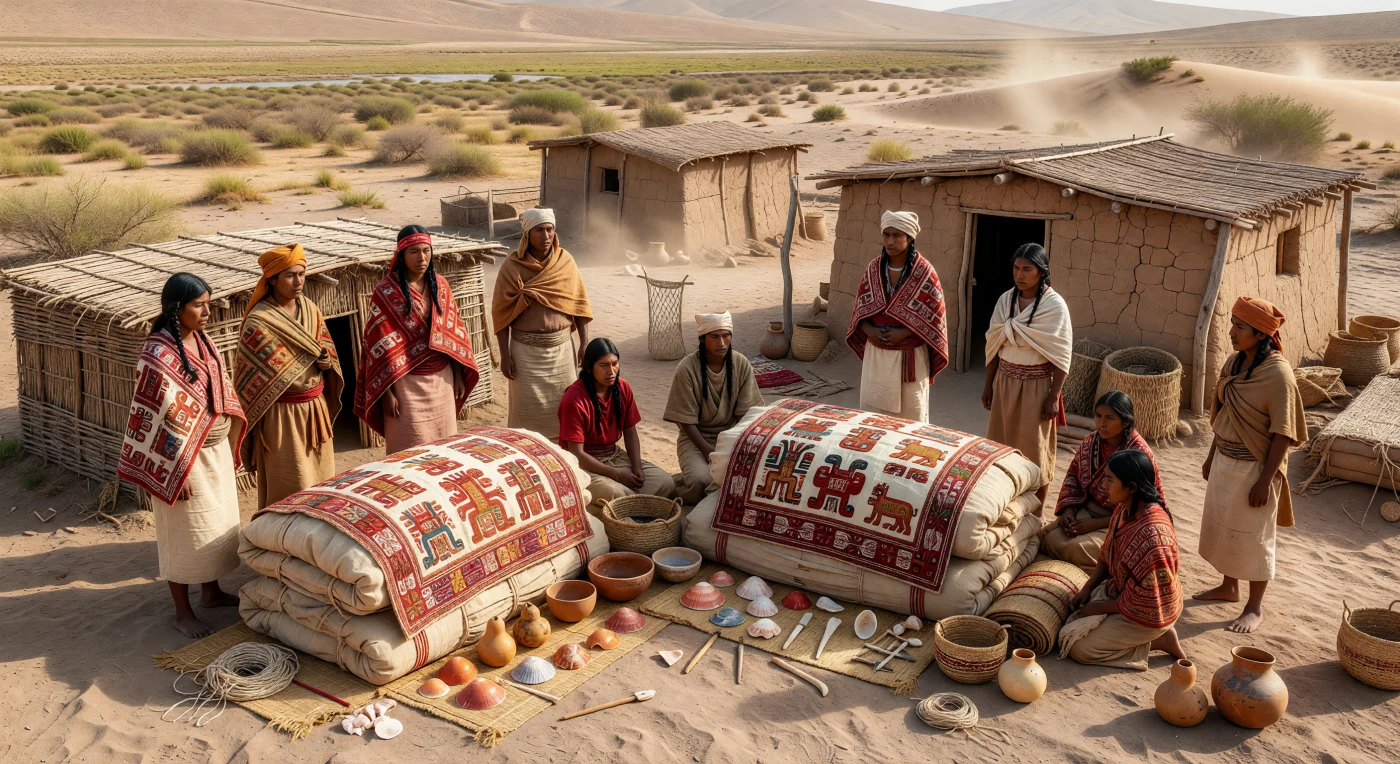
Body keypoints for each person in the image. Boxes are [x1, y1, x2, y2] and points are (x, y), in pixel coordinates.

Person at [118, 273, 247, 638]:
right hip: (182, 462)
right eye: (198, 305)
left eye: (208, 302)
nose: (207, 311)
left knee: (215, 526)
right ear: (176, 309)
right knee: (183, 533)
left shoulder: (203, 341)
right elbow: (157, 416)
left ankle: (211, 591)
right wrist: (178, 470)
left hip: (213, 452)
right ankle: (182, 612)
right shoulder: (158, 353)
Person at [1194, 296, 1306, 633]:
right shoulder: (1233, 364)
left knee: (1254, 538)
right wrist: (1211, 456)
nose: (1232, 331)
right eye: (1232, 323)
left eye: (1239, 327)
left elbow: (1283, 434)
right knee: (1227, 528)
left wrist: (1264, 481)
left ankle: (1254, 607)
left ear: (1260, 334)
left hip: (1255, 469)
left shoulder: (1278, 375)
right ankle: (1229, 588)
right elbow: (1227, 414)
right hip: (1225, 461)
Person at [234, 244, 344, 508]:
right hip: (281, 418)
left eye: (302, 274)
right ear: (271, 280)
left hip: (315, 412)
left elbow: (326, 350)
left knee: (321, 480)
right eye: (289, 275)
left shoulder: (311, 310)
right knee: (289, 486)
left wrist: (326, 362)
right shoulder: (258, 322)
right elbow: (248, 382)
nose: (298, 282)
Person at [354, 225, 480, 454]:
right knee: (409, 452)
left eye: (426, 250)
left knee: (444, 449)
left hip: (443, 381)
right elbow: (377, 347)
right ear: (401, 255)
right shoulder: (385, 292)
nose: (421, 258)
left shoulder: (441, 286)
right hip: (405, 387)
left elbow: (453, 332)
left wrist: (459, 374)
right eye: (413, 252)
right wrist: (386, 394)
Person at [1064, 449, 1185, 670]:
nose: (1102, 486)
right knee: (1069, 619)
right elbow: (1106, 554)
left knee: (1079, 648)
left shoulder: (1152, 536)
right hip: (1123, 593)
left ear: (1130, 488)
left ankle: (1159, 640)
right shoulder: (1124, 509)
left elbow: (1148, 600)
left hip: (1150, 611)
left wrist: (1101, 607)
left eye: (1109, 480)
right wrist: (1088, 588)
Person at [983, 242, 1072, 505]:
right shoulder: (1005, 300)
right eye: (1016, 268)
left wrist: (1053, 396)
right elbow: (993, 346)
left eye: (1027, 269)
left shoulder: (1054, 306)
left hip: (1038, 386)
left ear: (1041, 272)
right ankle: (1005, 500)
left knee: (1035, 451)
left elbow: (1061, 354)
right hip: (1005, 382)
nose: (1019, 275)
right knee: (1001, 445)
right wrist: (988, 386)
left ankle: (1036, 510)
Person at [493, 208, 592, 440]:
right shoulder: (511, 267)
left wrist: (584, 343)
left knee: (565, 409)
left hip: (561, 353)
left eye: (550, 229)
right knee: (526, 416)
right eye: (539, 230)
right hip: (524, 355)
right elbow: (500, 314)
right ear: (527, 234)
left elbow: (579, 303)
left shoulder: (565, 262)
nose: (546, 236)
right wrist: (505, 355)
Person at [844, 210, 949, 423]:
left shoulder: (925, 272)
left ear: (909, 238)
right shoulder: (873, 269)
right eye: (886, 235)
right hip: (877, 355)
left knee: (911, 417)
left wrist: (904, 332)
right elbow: (860, 309)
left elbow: (935, 317)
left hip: (909, 357)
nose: (890, 241)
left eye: (897, 235)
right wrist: (869, 330)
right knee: (873, 415)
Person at [1042, 391, 1164, 573]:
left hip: (1121, 522)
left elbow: (1142, 507)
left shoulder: (1138, 454)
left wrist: (1094, 525)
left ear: (1125, 422)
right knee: (1047, 538)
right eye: (1098, 416)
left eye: (1109, 418)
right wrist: (1069, 510)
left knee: (1077, 548)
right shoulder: (1091, 441)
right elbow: (1073, 477)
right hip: (1087, 509)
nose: (1101, 423)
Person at [559, 338, 676, 509]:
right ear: (590, 367)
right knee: (618, 494)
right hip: (586, 464)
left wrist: (637, 467)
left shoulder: (623, 388)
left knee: (665, 483)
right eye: (603, 365)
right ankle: (628, 506)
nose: (611, 371)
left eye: (615, 364)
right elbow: (577, 453)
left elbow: (630, 431)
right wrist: (615, 474)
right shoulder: (574, 399)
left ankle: (629, 506)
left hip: (615, 455)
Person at [663, 311, 764, 504]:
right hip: (695, 440)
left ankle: (685, 477)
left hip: (731, 436)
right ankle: (672, 486)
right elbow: (684, 421)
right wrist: (708, 451)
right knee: (702, 481)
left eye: (726, 335)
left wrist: (734, 447)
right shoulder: (687, 368)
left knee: (749, 477)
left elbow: (749, 415)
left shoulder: (741, 363)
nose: (722, 343)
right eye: (714, 337)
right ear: (702, 339)